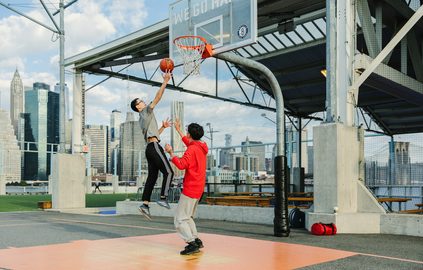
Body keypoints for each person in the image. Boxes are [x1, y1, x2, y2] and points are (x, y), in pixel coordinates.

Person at [130, 72, 174, 220]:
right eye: (140, 101)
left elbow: (152, 134)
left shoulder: (141, 119)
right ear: (138, 106)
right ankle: (163, 197)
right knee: (169, 172)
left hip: (149, 148)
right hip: (154, 147)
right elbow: (158, 97)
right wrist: (165, 81)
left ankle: (145, 205)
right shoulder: (146, 111)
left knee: (152, 177)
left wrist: (163, 128)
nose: (143, 101)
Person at [164, 119, 208, 255]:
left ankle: (191, 243)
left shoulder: (192, 149)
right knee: (188, 216)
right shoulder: (201, 146)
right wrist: (179, 130)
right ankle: (196, 239)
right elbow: (189, 143)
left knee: (179, 219)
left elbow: (182, 164)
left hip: (190, 188)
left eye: (187, 132)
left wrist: (171, 153)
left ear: (190, 134)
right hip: (199, 187)